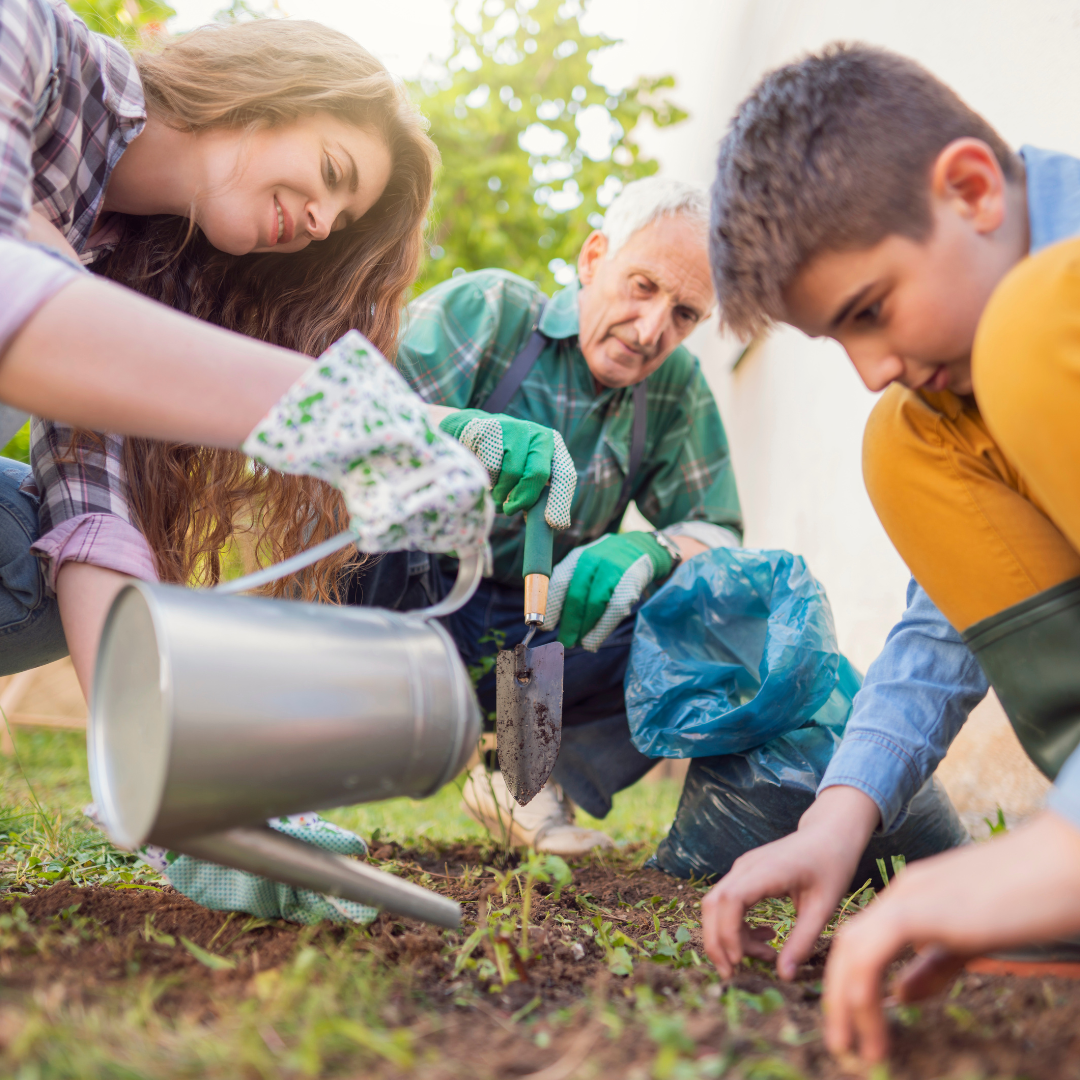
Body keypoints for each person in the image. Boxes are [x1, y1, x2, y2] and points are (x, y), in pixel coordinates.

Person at [368, 176, 965, 871]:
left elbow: (716, 530)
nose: (653, 330)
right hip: (418, 606)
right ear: (594, 259)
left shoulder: (677, 388)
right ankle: (294, 761)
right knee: (361, 530)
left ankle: (521, 777)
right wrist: (455, 433)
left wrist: (654, 549)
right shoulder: (491, 310)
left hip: (541, 640)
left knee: (713, 595)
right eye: (642, 286)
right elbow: (352, 417)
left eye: (684, 314)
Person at [0, 0, 568, 693]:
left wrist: (156, 759)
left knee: (40, 553)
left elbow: (97, 510)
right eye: (332, 171)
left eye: (342, 220)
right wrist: (383, 421)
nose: (323, 222)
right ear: (265, 91)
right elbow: (24, 302)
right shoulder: (30, 40)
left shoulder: (112, 262)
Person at [700, 43, 1080, 1063]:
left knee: (1032, 325)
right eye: (838, 341)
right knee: (905, 443)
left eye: (869, 311)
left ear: (969, 190)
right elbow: (948, 615)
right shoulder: (948, 394)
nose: (871, 368)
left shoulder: (1051, 311)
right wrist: (840, 813)